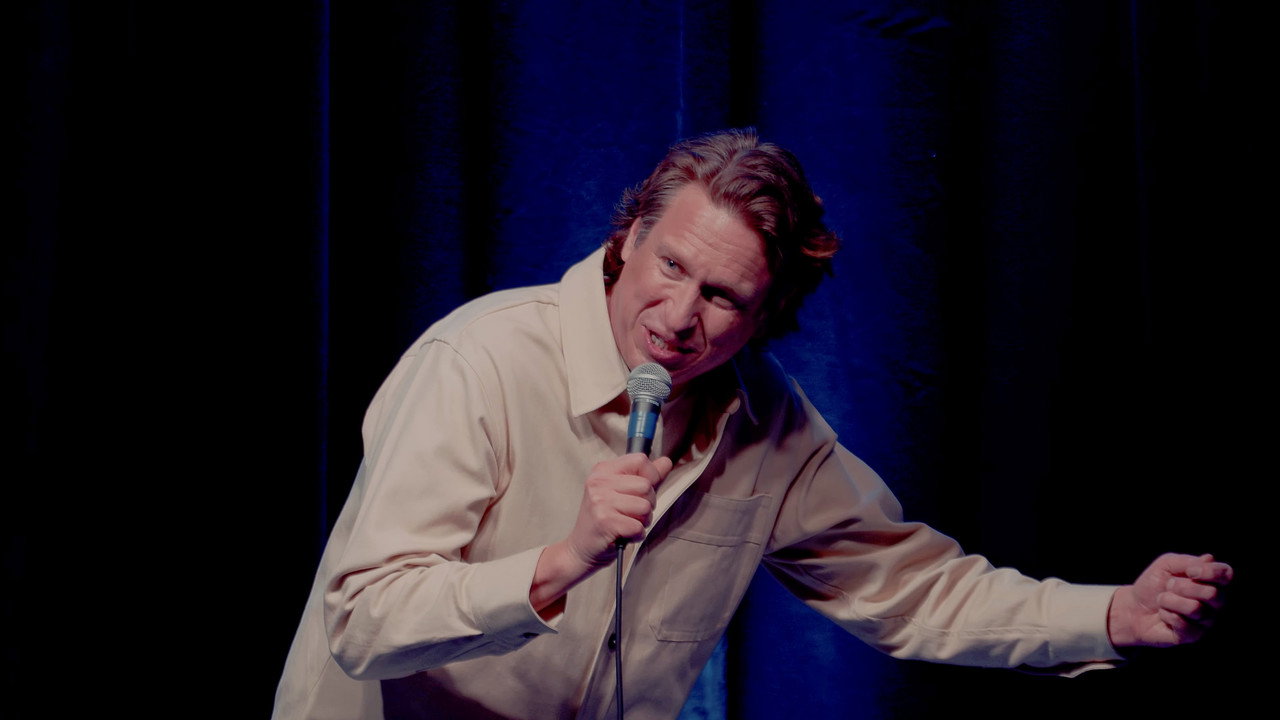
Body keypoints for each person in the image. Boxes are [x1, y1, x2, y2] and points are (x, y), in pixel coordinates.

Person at [271, 128, 1231, 719]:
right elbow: (362, 622)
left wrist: (1112, 614)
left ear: (768, 318)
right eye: (670, 265)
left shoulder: (771, 425)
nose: (678, 316)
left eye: (724, 296)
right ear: (626, 240)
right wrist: (560, 562)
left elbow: (913, 589)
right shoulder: (477, 361)